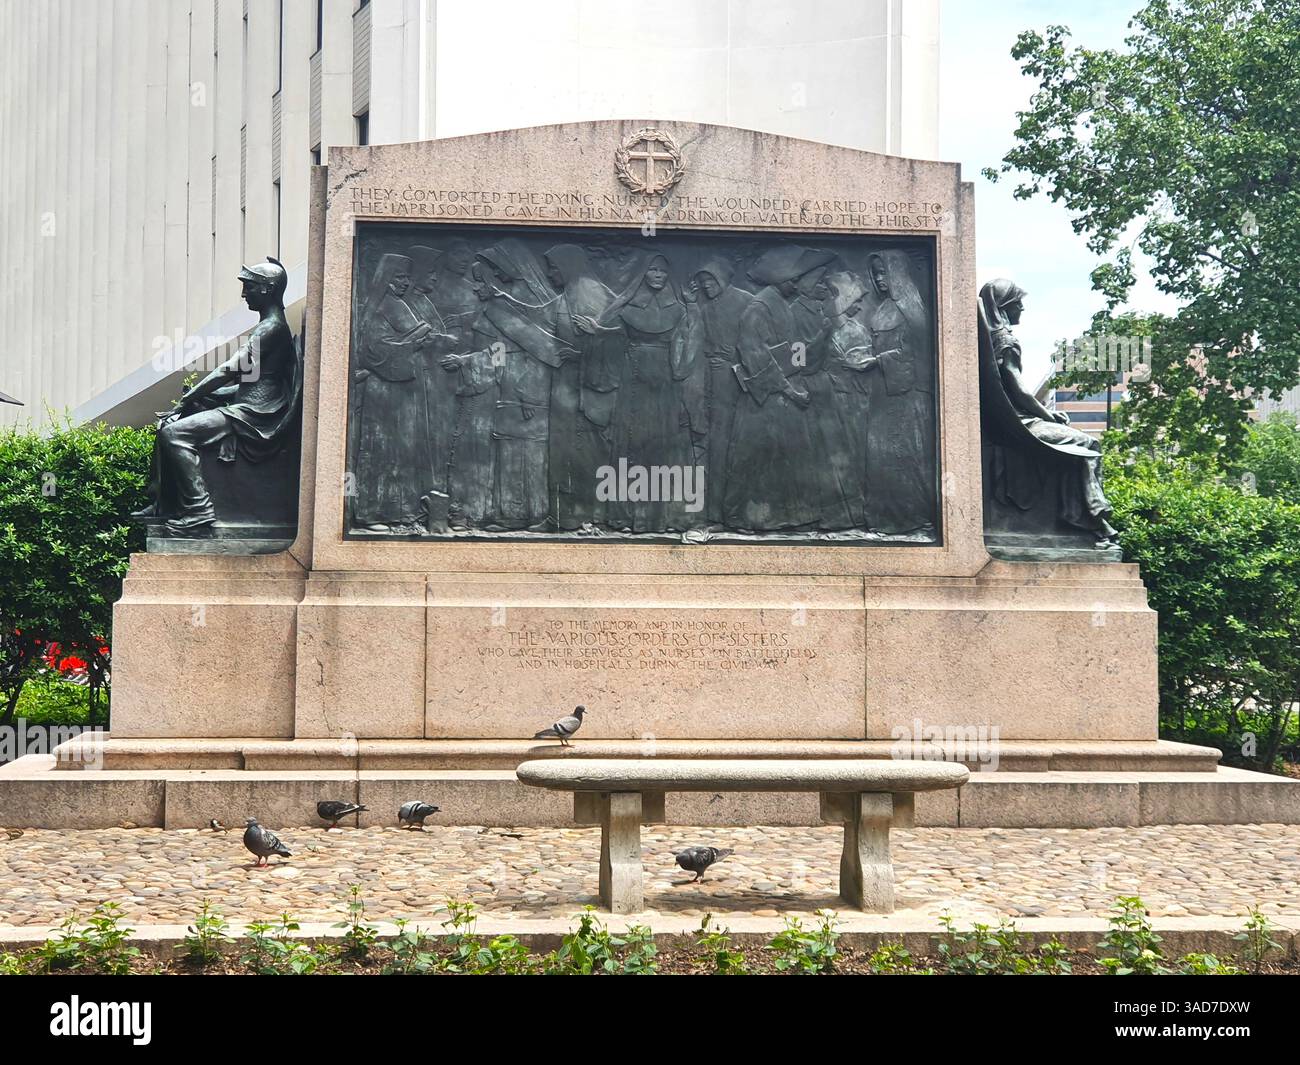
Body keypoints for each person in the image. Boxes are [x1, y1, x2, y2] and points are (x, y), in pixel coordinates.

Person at [136, 257, 300, 533]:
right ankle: (162, 504)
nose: (244, 293)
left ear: (267, 289)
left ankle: (199, 511)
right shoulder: (271, 326)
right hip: (249, 405)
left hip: (256, 415)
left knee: (174, 434)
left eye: (249, 286)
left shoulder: (272, 327)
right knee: (167, 424)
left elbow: (231, 369)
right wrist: (207, 396)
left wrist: (189, 399)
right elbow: (251, 380)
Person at [980, 278, 1118, 544]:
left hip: (1008, 421)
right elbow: (1019, 392)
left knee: (1077, 443)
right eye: (1018, 302)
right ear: (1005, 306)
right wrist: (1048, 415)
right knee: (1088, 443)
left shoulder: (988, 339)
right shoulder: (1005, 341)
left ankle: (1077, 515)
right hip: (1020, 424)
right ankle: (1091, 517)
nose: (1022, 308)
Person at [723, 245, 850, 531]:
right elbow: (756, 357)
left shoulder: (782, 305)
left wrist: (819, 339)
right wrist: (789, 390)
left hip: (786, 398)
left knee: (789, 457)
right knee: (756, 458)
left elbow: (794, 354)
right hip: (765, 400)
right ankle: (746, 519)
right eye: (793, 279)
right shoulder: (757, 309)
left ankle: (786, 517)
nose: (797, 283)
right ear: (780, 280)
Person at [576, 253, 695, 533]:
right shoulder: (628, 307)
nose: (657, 275)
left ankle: (658, 517)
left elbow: (687, 343)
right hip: (634, 377)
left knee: (661, 443)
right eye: (652, 270)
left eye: (662, 272)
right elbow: (616, 334)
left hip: (665, 380)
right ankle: (626, 516)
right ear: (644, 273)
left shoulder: (678, 309)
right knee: (631, 441)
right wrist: (598, 331)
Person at [350, 252, 448, 531]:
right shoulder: (384, 306)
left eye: (406, 277)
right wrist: (413, 342)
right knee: (381, 450)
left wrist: (418, 339)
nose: (405, 282)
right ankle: (373, 512)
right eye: (400, 277)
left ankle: (402, 511)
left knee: (402, 450)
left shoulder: (398, 304)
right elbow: (373, 351)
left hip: (403, 389)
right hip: (385, 390)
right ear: (388, 279)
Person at [859, 252, 937, 536]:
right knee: (880, 457)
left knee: (905, 456)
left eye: (884, 273)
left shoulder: (911, 308)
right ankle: (883, 520)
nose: (880, 279)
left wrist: (878, 360)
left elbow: (916, 353)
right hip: (883, 391)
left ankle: (913, 519)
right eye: (876, 273)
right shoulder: (882, 309)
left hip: (906, 394)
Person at [543, 244, 618, 530]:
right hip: (567, 383)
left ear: (568, 265)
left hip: (587, 388)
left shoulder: (588, 292)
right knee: (567, 450)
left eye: (553, 267)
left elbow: (613, 339)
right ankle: (565, 516)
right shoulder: (568, 292)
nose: (550, 274)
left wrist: (581, 353)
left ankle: (589, 515)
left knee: (585, 450)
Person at [679, 257, 752, 528]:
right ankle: (713, 512)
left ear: (723, 277)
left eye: (711, 280)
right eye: (702, 281)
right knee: (715, 444)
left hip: (741, 379)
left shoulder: (746, 301)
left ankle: (738, 511)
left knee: (735, 443)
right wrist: (690, 303)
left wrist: (737, 362)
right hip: (713, 378)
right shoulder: (706, 308)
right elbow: (697, 337)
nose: (706, 285)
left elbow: (758, 340)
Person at [822, 270, 872, 526]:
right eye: (856, 300)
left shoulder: (859, 331)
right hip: (826, 403)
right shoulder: (820, 327)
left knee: (853, 457)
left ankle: (855, 515)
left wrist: (864, 365)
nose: (860, 306)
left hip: (855, 403)